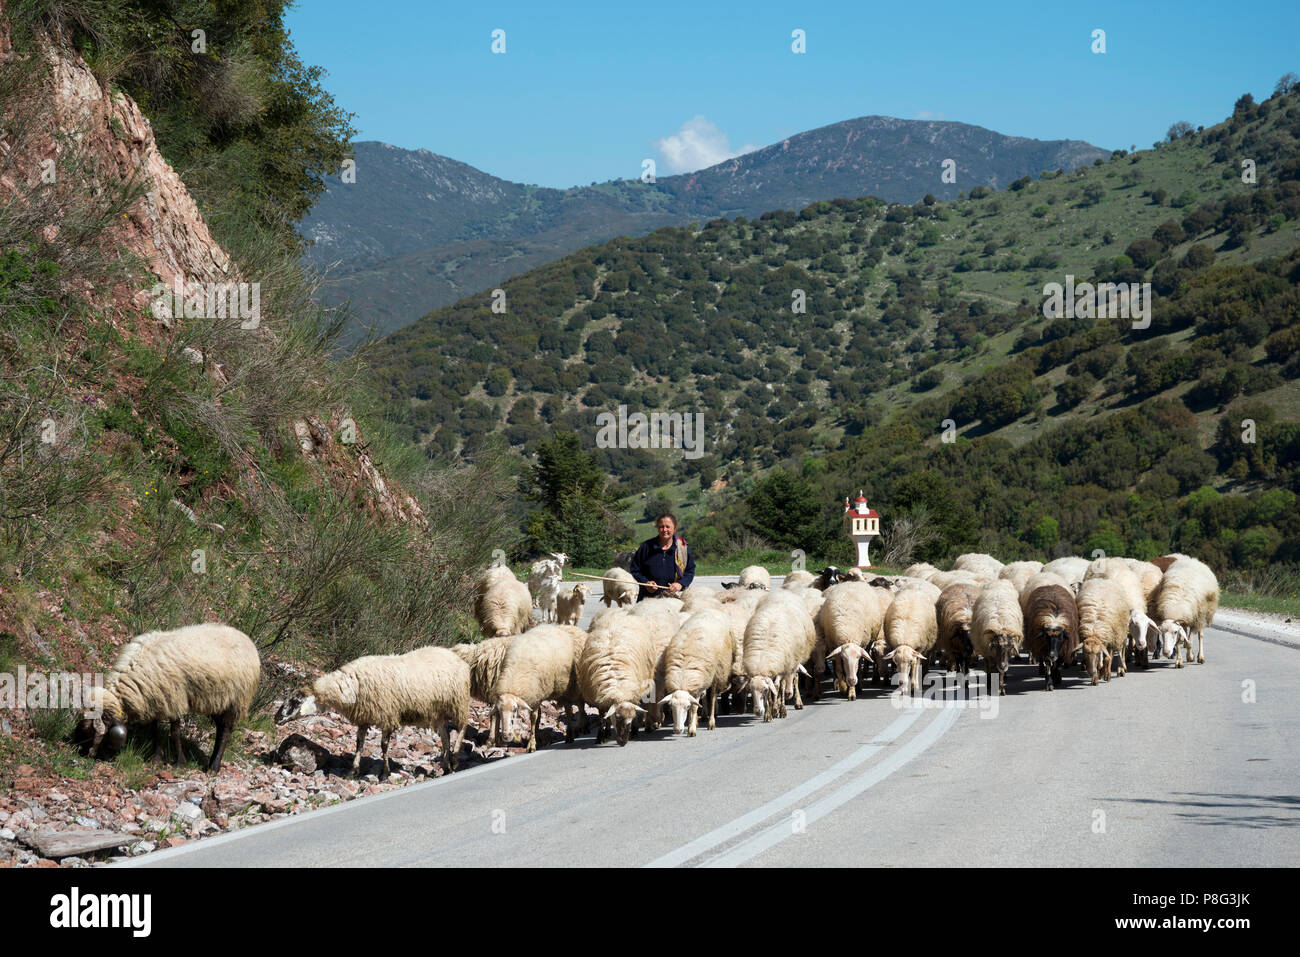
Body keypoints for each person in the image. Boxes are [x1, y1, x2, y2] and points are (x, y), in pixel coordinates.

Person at [628, 513, 694, 600]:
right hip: (647, 599)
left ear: (675, 528)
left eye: (668, 526)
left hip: (673, 600)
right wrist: (645, 583)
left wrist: (680, 584)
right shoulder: (646, 547)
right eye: (661, 527)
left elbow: (690, 571)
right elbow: (635, 570)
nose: (664, 529)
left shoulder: (682, 548)